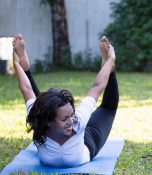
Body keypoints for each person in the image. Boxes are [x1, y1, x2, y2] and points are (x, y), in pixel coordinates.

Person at [12, 34, 118, 167]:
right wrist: (16, 63)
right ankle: (25, 68)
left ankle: (110, 69)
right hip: (71, 136)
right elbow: (26, 89)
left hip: (86, 143)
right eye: (64, 119)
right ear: (48, 122)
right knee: (42, 107)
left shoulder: (78, 122)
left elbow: (97, 87)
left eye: (71, 115)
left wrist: (111, 59)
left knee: (108, 109)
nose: (71, 122)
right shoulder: (39, 122)